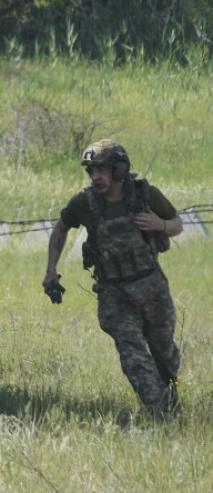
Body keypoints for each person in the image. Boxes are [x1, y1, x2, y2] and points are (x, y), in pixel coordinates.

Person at [43, 139, 183, 416]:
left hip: (153, 288)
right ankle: (163, 415)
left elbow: (177, 223)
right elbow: (60, 230)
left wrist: (160, 225)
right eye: (91, 171)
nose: (96, 177)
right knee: (134, 358)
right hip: (115, 295)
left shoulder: (145, 194)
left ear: (119, 170)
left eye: (102, 170)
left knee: (165, 356)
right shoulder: (84, 203)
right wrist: (50, 269)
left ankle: (172, 402)